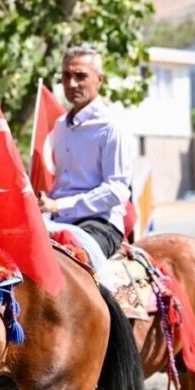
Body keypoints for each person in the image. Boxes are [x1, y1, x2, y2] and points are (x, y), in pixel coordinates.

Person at [38, 45, 132, 266]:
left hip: (100, 223)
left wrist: (59, 206)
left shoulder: (111, 126)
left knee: (72, 267)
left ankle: (109, 303)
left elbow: (116, 190)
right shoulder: (61, 126)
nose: (71, 84)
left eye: (80, 76)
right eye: (66, 76)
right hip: (57, 220)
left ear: (100, 79)